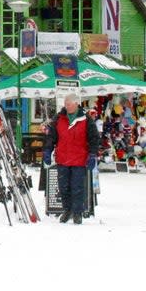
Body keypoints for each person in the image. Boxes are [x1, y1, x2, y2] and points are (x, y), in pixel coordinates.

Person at [42, 93, 99, 224]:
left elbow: (94, 138)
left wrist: (92, 154)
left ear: (76, 104)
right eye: (65, 104)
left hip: (79, 159)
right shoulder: (58, 118)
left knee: (77, 187)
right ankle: (67, 210)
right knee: (63, 187)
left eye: (68, 104)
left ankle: (78, 213)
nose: (66, 106)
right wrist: (47, 150)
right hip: (62, 158)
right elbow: (51, 137)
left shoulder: (86, 119)